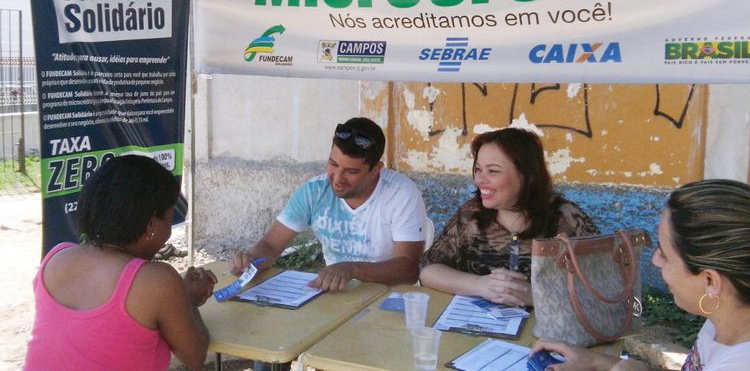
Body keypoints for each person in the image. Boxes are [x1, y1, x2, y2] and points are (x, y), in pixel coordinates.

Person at [532, 179, 750, 370]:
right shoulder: (725, 316)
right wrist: (600, 362)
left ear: (710, 281)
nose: (655, 260)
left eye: (664, 254)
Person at [25, 155, 218, 371]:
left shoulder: (56, 257)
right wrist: (187, 300)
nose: (168, 232)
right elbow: (196, 355)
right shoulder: (157, 280)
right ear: (151, 224)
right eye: (169, 219)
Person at [231, 117, 427, 290]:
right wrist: (251, 261)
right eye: (333, 164)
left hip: (387, 297)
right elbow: (271, 245)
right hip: (335, 295)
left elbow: (408, 270)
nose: (337, 178)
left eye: (351, 171)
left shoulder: (401, 194)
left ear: (376, 169)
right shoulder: (314, 190)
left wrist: (353, 269)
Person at [419, 127, 599, 306]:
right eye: (478, 169)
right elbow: (428, 270)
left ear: (527, 176)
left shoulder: (565, 219)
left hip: (548, 332)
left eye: (493, 171)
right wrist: (479, 285)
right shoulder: (471, 215)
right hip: (480, 327)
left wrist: (536, 296)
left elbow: (603, 287)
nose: (480, 179)